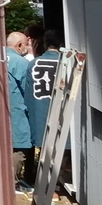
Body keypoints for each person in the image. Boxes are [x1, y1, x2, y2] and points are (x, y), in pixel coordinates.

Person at [25, 29, 64, 187]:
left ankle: (44, 184)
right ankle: (56, 183)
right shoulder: (66, 63)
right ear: (61, 43)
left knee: (44, 149)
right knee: (61, 148)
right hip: (61, 112)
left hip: (40, 112)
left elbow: (28, 94)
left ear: (44, 43)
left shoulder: (34, 63)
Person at [5, 31, 35, 192]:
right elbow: (28, 89)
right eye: (26, 44)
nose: (27, 48)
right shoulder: (21, 63)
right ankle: (13, 182)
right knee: (19, 146)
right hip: (17, 109)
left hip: (1, 110)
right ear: (19, 45)